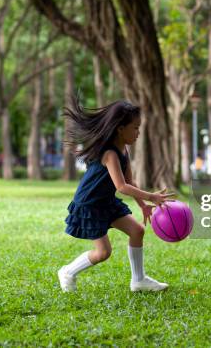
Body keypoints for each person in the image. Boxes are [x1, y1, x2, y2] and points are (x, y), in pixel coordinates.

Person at [58, 96, 175, 292]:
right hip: (90, 205)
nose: (138, 132)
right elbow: (121, 187)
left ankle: (139, 281)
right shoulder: (110, 153)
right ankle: (68, 272)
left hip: (106, 201)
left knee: (137, 231)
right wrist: (151, 196)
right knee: (103, 252)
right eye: (135, 128)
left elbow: (130, 182)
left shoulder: (124, 150)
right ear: (120, 129)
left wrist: (143, 205)